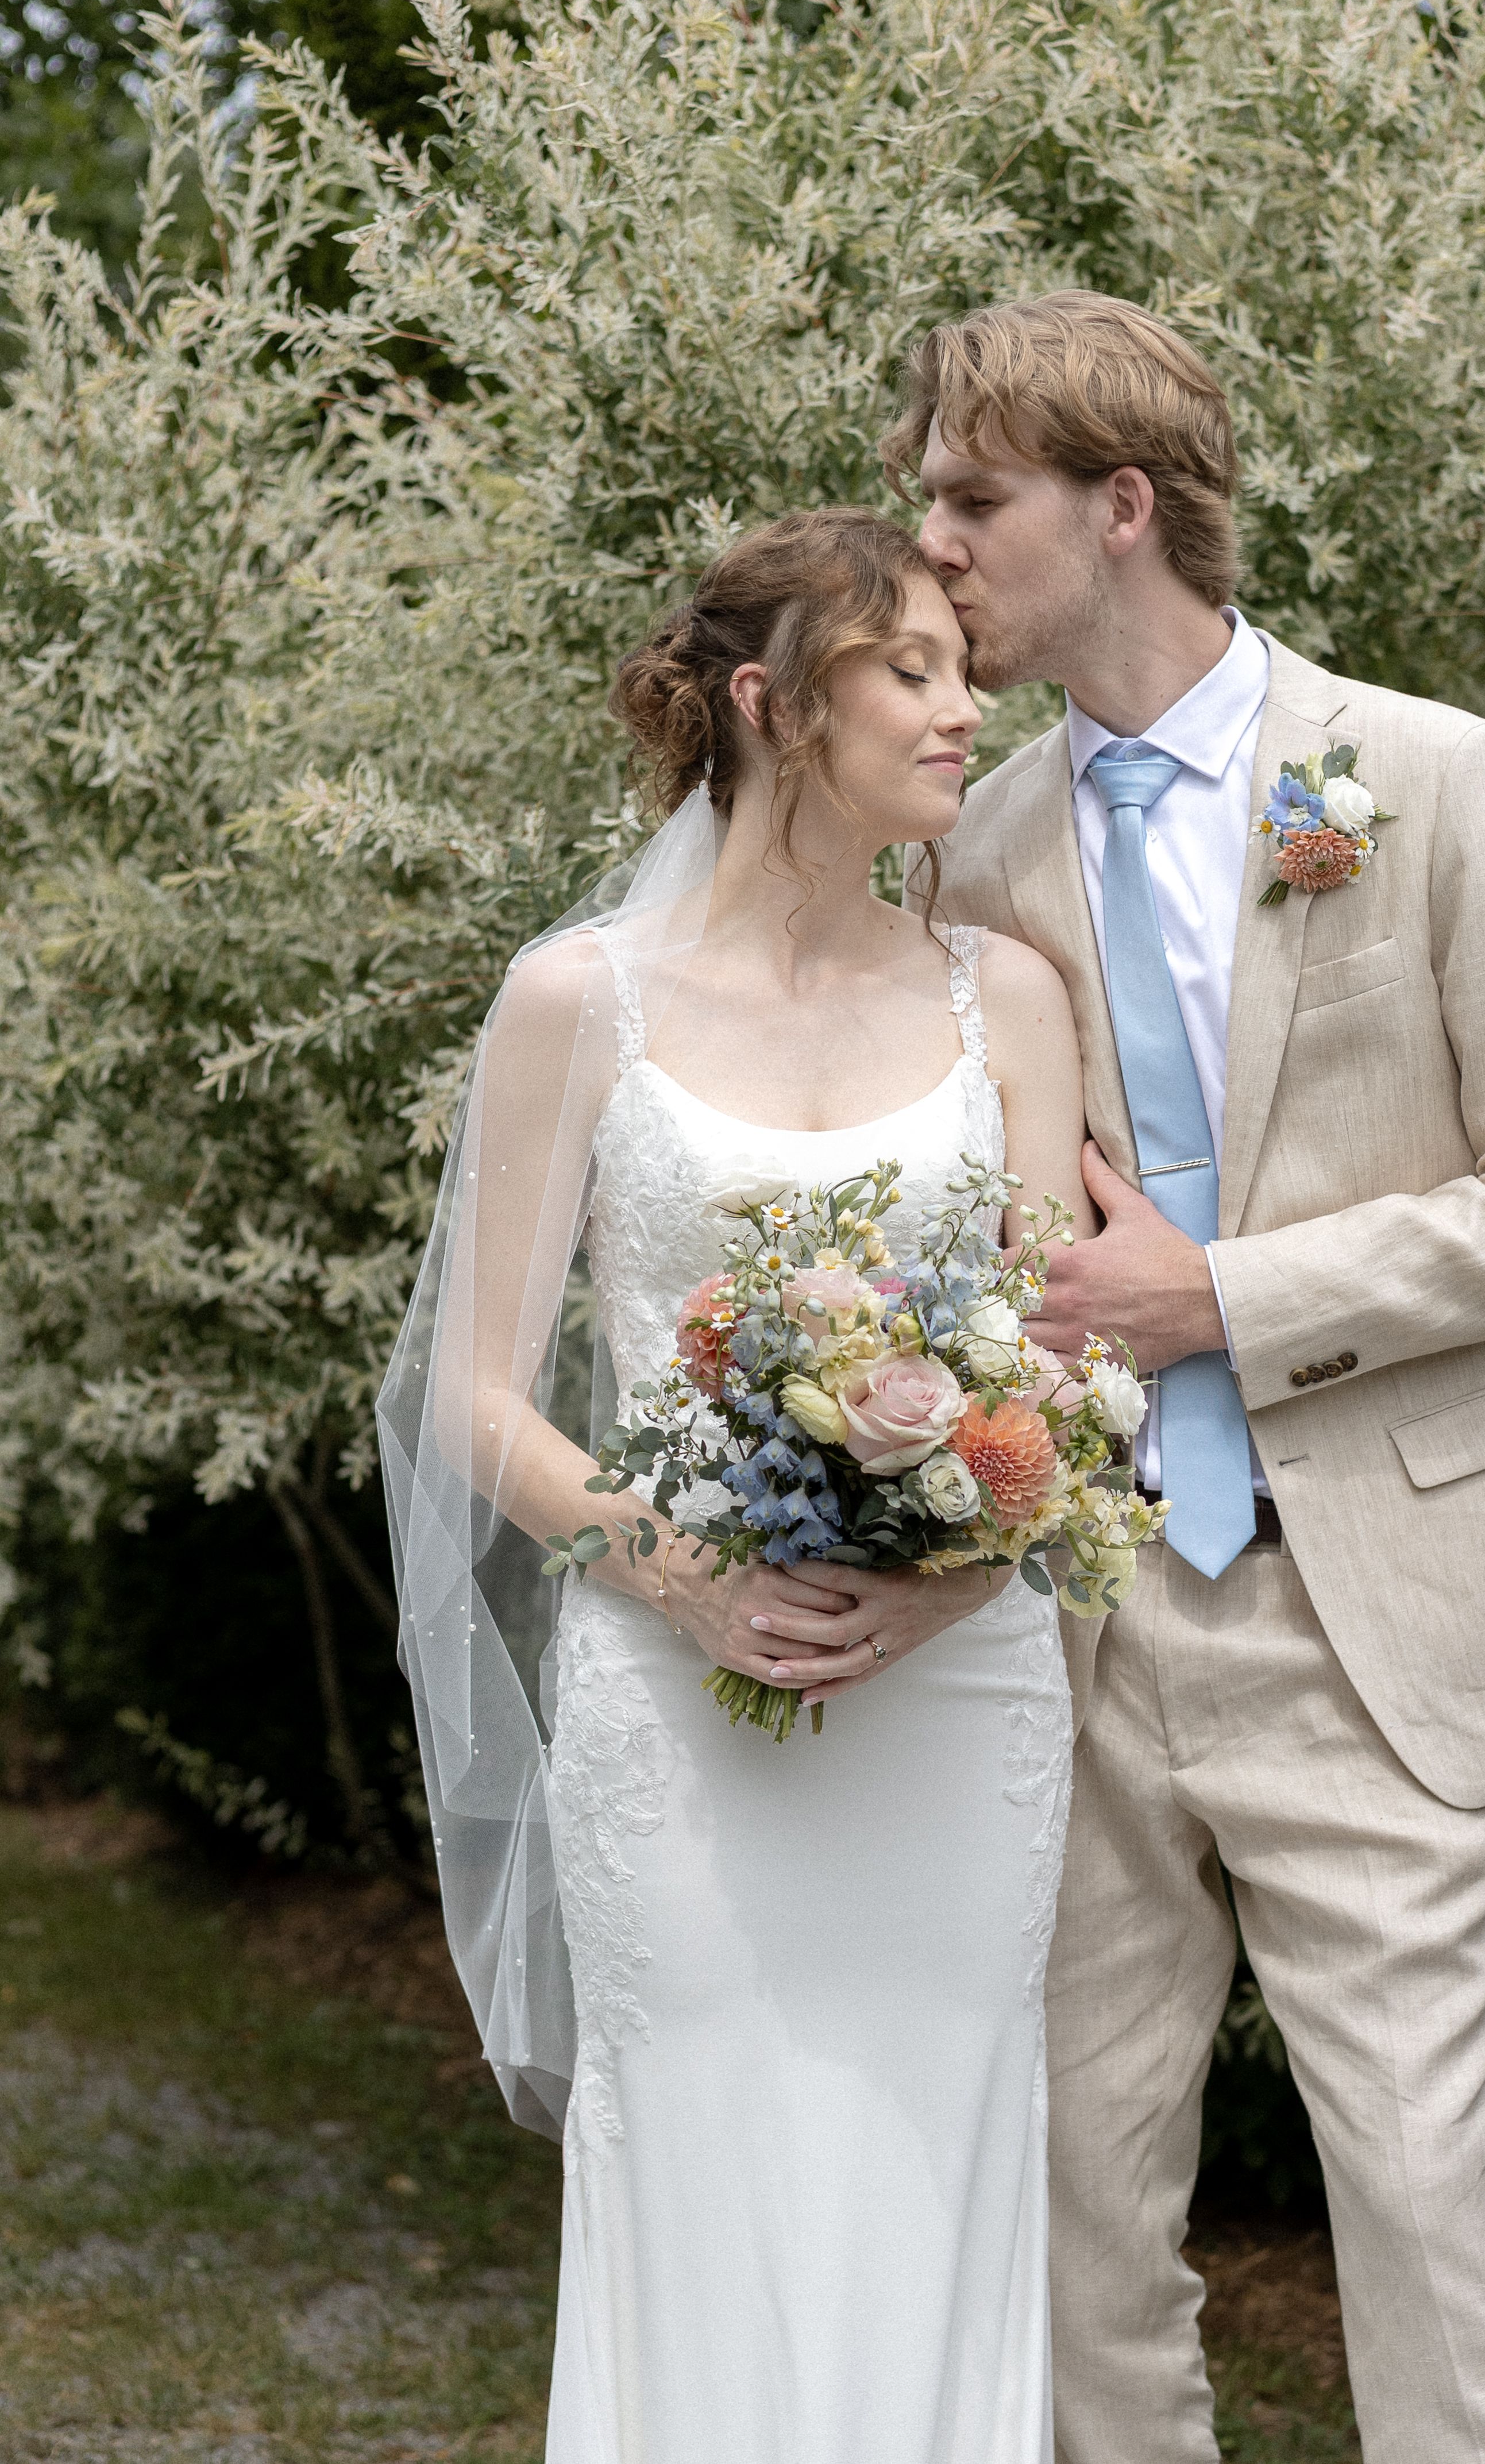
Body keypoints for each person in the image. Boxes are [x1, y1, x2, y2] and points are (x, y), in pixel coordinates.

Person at [889, 292, 1485, 2464]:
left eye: (972, 499)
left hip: (1374, 1606)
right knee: (1071, 2195)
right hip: (1077, 1609)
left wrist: (1224, 1292)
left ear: (1120, 508)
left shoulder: (1420, 778)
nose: (929, 545)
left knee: (1419, 2186)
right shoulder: (969, 841)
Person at [379, 511, 1090, 2464]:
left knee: (936, 2148)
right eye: (916, 669)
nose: (968, 706)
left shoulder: (1004, 1001)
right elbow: (474, 1393)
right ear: (778, 703)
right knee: (694, 2150)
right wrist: (683, 1577)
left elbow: (1059, 1363)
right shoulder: (575, 1002)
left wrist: (951, 1576)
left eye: (965, 664)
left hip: (955, 1698)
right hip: (670, 1698)